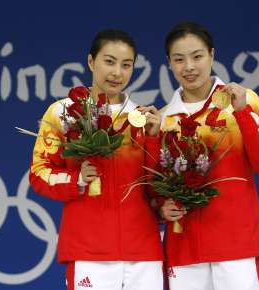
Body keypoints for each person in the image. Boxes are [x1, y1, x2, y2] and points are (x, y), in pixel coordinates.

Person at [29, 29, 164, 290]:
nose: (117, 73)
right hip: (89, 250)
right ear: (91, 62)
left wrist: (155, 137)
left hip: (143, 252)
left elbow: (155, 186)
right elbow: (39, 172)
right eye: (109, 61)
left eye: (127, 65)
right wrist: (76, 179)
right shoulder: (63, 113)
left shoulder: (141, 118)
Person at [159, 21, 259, 290]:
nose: (189, 67)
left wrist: (242, 113)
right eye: (179, 59)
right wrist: (162, 207)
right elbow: (155, 185)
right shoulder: (164, 119)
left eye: (197, 56)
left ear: (212, 55)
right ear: (169, 63)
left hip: (236, 245)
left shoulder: (242, 101)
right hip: (185, 250)